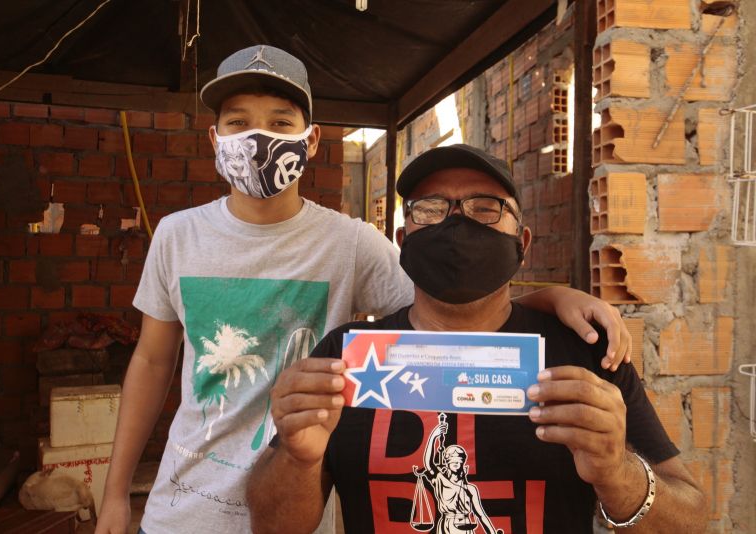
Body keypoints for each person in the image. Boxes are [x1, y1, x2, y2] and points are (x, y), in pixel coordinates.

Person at [95, 44, 632, 534]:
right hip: (181, 508)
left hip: (298, 502)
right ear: (215, 138)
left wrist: (549, 298)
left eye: (280, 121)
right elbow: (151, 362)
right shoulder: (176, 234)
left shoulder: (350, 242)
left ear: (310, 140)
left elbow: (451, 301)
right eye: (237, 122)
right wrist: (116, 493)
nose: (257, 137)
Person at [248, 144, 707, 534]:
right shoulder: (345, 358)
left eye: (485, 207)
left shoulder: (586, 354)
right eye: (431, 208)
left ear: (521, 242)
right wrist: (297, 457)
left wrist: (618, 474)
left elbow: (692, 518)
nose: (456, 224)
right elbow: (272, 525)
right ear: (404, 240)